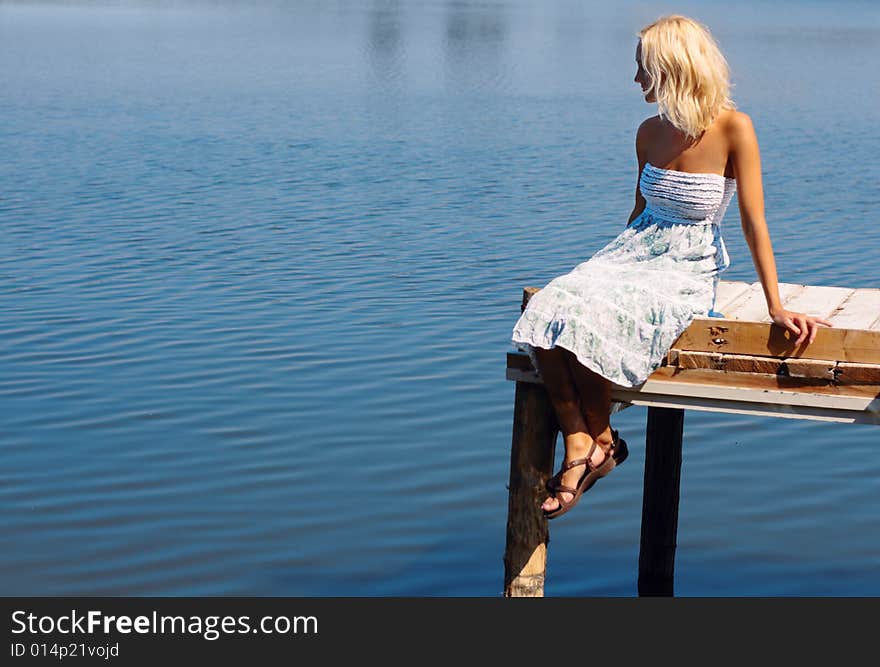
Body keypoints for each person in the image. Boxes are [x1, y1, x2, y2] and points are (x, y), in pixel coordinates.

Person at [510, 15, 832, 520]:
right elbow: (637, 213)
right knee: (553, 305)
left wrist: (775, 304)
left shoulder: (733, 127)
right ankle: (587, 439)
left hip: (687, 264)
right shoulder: (647, 132)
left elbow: (754, 221)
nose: (637, 79)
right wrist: (601, 268)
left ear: (673, 68)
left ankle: (592, 449)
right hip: (634, 251)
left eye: (644, 68)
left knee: (594, 316)